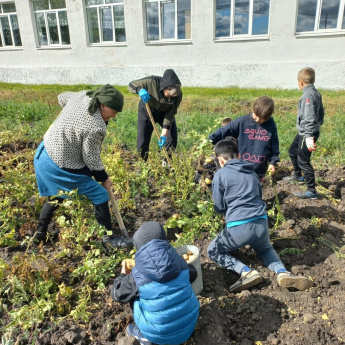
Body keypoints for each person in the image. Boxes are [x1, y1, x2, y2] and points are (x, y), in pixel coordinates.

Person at [33, 84, 133, 249]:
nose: (114, 116)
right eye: (114, 112)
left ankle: (39, 234)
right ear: (102, 105)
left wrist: (70, 118)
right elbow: (91, 159)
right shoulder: (95, 126)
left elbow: (61, 97)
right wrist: (104, 179)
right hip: (59, 165)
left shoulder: (83, 96)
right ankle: (108, 240)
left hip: (44, 154)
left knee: (57, 195)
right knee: (100, 195)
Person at [207, 140, 313, 292]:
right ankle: (282, 272)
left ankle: (246, 272)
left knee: (212, 250)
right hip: (261, 223)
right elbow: (258, 196)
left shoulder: (220, 174)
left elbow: (219, 206)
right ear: (239, 155)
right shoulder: (252, 172)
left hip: (239, 228)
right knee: (265, 250)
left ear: (220, 160)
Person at [111, 221, 199, 345]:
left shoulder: (136, 276)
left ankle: (144, 337)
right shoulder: (180, 262)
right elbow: (193, 273)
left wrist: (122, 275)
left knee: (134, 297)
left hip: (159, 336)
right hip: (189, 326)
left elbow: (117, 295)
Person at [208, 96, 279, 180]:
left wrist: (273, 162)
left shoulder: (271, 126)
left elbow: (274, 146)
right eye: (256, 115)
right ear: (253, 109)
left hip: (258, 170)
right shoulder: (243, 121)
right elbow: (224, 130)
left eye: (262, 119)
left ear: (268, 117)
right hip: (240, 166)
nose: (257, 120)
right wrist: (209, 140)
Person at [283, 67, 324, 199]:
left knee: (303, 160)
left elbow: (310, 117)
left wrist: (309, 136)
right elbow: (321, 113)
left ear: (300, 82)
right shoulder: (316, 93)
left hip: (307, 133)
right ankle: (297, 175)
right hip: (306, 131)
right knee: (292, 151)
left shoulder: (308, 96)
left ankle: (311, 191)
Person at [128, 69, 182, 160]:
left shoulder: (178, 95)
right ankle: (143, 164)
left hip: (164, 113)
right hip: (147, 110)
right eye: (169, 95)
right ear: (164, 88)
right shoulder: (151, 82)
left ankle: (165, 163)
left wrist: (164, 134)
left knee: (171, 138)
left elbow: (170, 114)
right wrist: (140, 90)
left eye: (173, 97)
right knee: (143, 140)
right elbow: (131, 85)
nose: (170, 98)